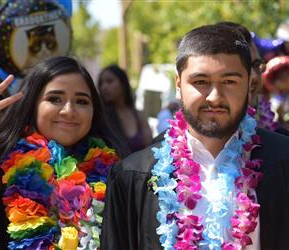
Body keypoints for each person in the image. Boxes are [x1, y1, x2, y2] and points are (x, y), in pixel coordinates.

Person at [101, 24, 289, 250]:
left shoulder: (284, 161)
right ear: (179, 85)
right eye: (200, 82)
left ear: (249, 84)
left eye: (229, 82)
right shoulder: (133, 176)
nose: (214, 97)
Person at [0, 56, 123, 249]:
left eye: (81, 101)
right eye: (54, 99)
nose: (69, 110)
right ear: (32, 106)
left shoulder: (116, 176)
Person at [98, 65, 152, 153]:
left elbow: (150, 148)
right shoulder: (100, 117)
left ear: (123, 84)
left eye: (109, 81)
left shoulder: (139, 115)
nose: (104, 87)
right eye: (101, 83)